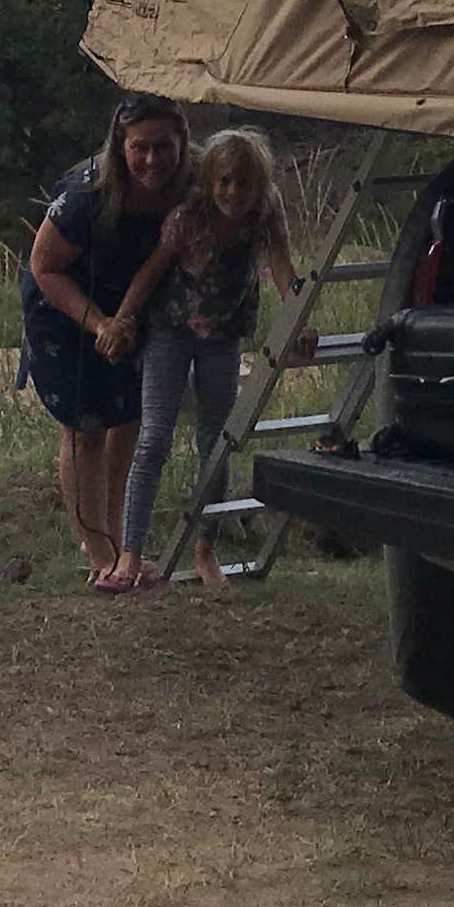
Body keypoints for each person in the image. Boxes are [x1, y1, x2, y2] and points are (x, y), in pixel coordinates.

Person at [105, 127, 303, 593]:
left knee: (215, 443)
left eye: (244, 183)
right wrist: (121, 321)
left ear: (259, 186)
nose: (234, 193)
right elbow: (150, 272)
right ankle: (130, 555)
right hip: (170, 331)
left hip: (223, 334)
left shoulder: (265, 214)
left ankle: (205, 552)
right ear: (210, 181)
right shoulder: (187, 218)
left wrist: (299, 321)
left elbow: (283, 267)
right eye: (225, 182)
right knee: (154, 437)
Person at [21, 94, 191, 585]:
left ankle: (124, 543)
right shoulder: (86, 193)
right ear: (121, 147)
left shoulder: (191, 184)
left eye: (164, 146)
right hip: (66, 305)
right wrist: (99, 323)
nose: (152, 160)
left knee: (129, 421)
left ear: (182, 143)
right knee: (85, 427)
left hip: (137, 308)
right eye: (140, 148)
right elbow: (44, 265)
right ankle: (99, 552)